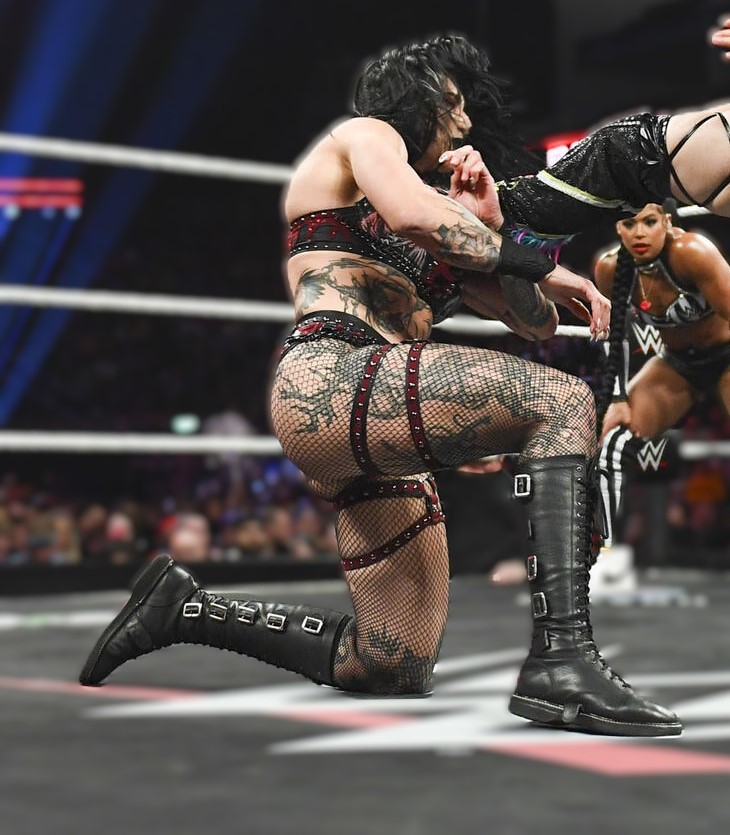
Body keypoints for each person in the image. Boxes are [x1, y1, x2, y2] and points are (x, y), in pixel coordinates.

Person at [78, 33, 684, 738]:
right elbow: (412, 217)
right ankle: (564, 660)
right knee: (565, 403)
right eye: (452, 104)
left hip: (377, 414)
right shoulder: (362, 137)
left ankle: (184, 609)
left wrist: (493, 225)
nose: (464, 122)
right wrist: (539, 262)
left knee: (390, 662)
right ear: (416, 99)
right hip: (334, 375)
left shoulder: (447, 211)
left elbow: (534, 321)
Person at [594, 201, 730, 548]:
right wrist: (618, 397)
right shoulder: (610, 270)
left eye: (649, 222)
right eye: (630, 224)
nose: (639, 233)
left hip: (727, 354)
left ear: (667, 222)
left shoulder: (692, 252)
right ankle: (604, 552)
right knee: (612, 443)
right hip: (678, 363)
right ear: (618, 228)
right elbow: (615, 337)